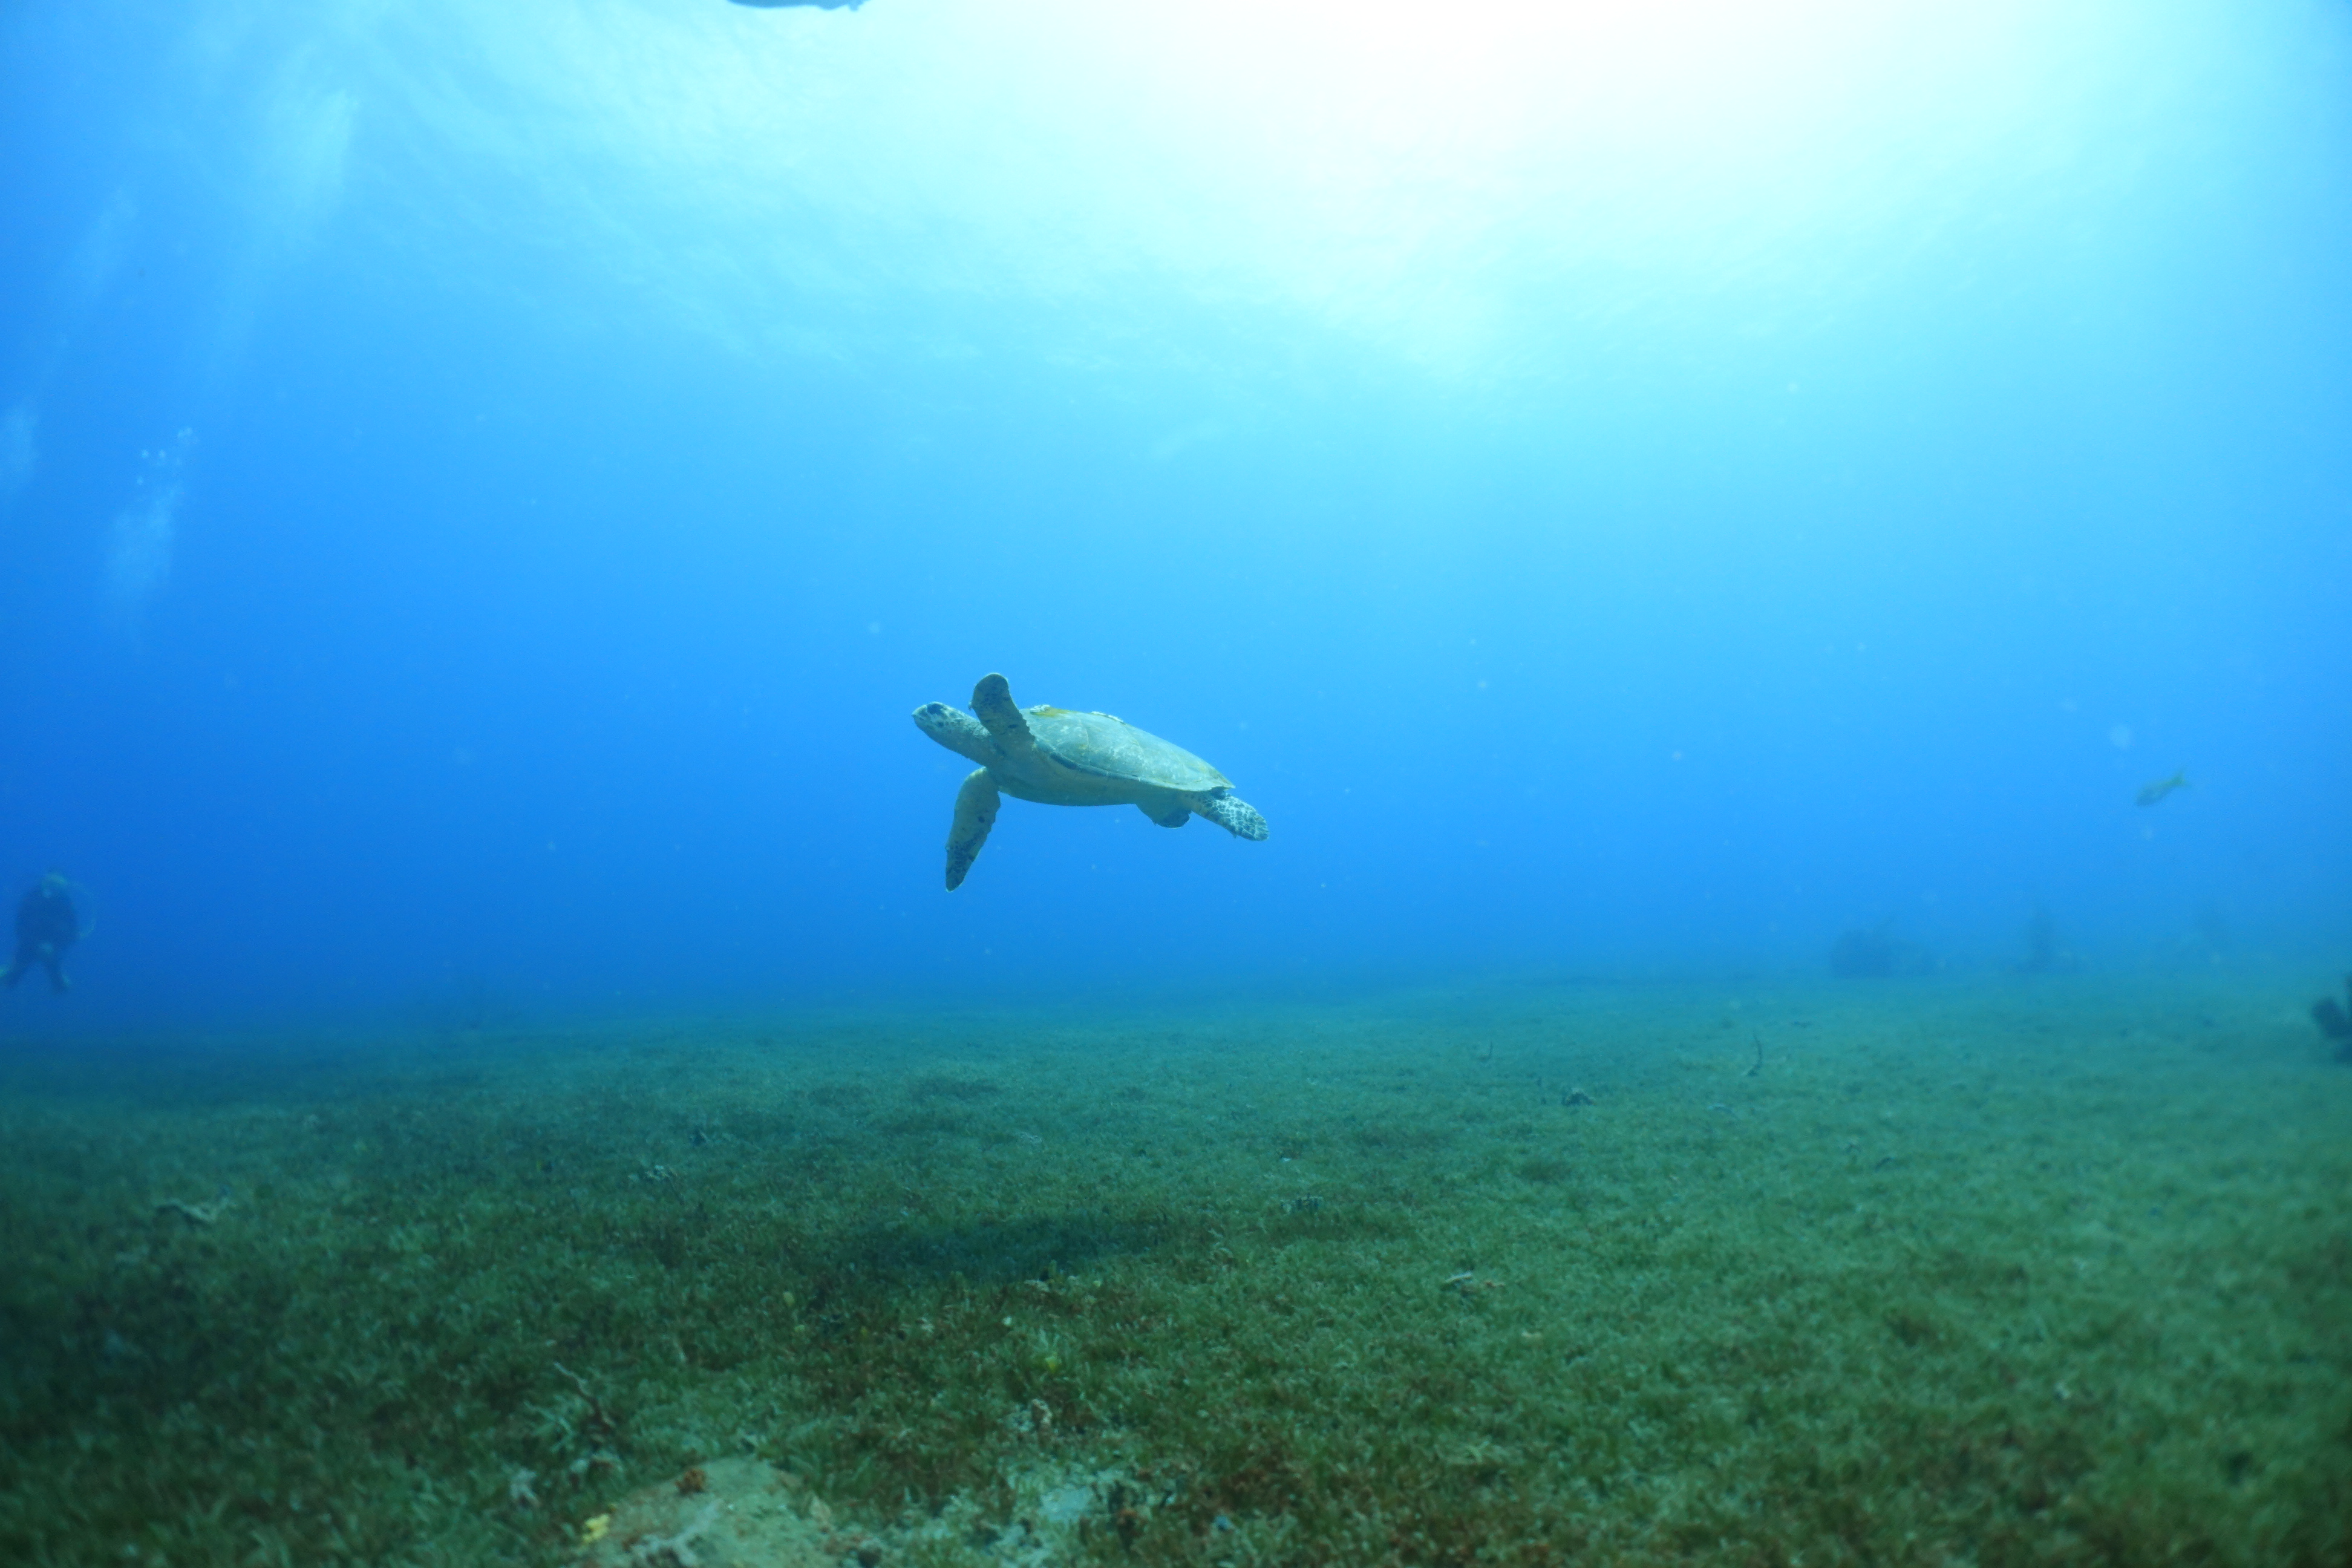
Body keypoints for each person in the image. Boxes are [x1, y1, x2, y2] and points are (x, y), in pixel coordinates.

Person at [3, 870, 80, 993]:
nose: (53, 887)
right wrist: (36, 945)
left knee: (60, 985)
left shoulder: (66, 903)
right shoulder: (32, 898)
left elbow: (73, 932)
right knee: (11, 980)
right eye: (51, 883)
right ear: (44, 881)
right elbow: (20, 927)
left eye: (57, 884)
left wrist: (54, 945)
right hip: (28, 945)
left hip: (52, 948)